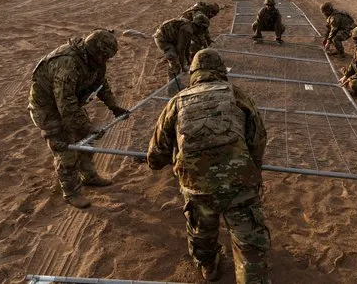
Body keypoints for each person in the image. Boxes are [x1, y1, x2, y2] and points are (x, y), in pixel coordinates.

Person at [147, 48, 270, 283]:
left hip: (197, 186)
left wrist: (162, 161)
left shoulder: (176, 102)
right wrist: (253, 170)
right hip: (239, 183)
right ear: (221, 71)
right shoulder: (237, 95)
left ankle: (209, 266)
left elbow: (157, 153)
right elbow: (258, 139)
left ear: (194, 73)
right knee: (249, 243)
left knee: (202, 233)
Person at [27, 29, 130, 209]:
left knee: (86, 140)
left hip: (69, 103)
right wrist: (88, 126)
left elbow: (101, 84)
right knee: (66, 149)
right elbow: (65, 106)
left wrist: (114, 106)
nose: (106, 61)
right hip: (47, 109)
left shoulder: (94, 60)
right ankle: (71, 192)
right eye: (104, 56)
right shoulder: (67, 65)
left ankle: (89, 176)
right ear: (95, 51)